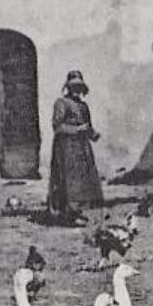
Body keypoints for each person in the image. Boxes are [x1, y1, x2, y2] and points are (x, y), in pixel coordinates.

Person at [47, 69, 104, 224]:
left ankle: (77, 211)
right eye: (73, 87)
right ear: (68, 88)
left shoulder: (84, 106)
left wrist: (93, 134)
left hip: (82, 147)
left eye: (79, 87)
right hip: (65, 147)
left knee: (82, 180)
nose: (76, 90)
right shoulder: (61, 103)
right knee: (67, 179)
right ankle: (66, 214)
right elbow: (57, 126)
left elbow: (88, 126)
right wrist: (77, 129)